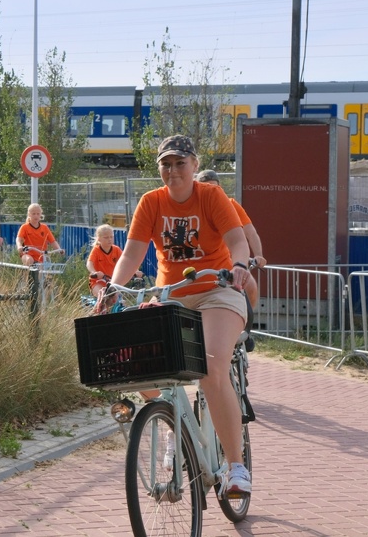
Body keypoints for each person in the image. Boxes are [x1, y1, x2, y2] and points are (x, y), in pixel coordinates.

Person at [108, 134, 253, 496]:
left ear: (194, 166)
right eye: (166, 164)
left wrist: (237, 265)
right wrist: (112, 286)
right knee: (133, 363)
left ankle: (236, 467)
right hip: (170, 296)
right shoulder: (151, 202)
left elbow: (238, 239)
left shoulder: (211, 196)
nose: (173, 171)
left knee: (211, 366)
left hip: (217, 291)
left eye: (180, 163)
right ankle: (177, 425)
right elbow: (132, 253)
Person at [196, 169, 266, 308]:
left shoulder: (230, 205)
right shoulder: (193, 208)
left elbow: (250, 232)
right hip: (199, 263)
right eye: (206, 188)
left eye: (214, 188)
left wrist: (258, 255)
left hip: (227, 263)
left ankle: (244, 325)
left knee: (250, 286)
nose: (210, 192)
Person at [86, 223, 142, 295]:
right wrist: (94, 272)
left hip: (113, 281)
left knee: (119, 300)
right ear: (99, 239)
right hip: (98, 281)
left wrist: (136, 271)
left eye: (111, 237)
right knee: (103, 296)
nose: (109, 239)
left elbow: (126, 261)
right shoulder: (96, 250)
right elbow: (89, 263)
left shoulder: (116, 250)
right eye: (106, 237)